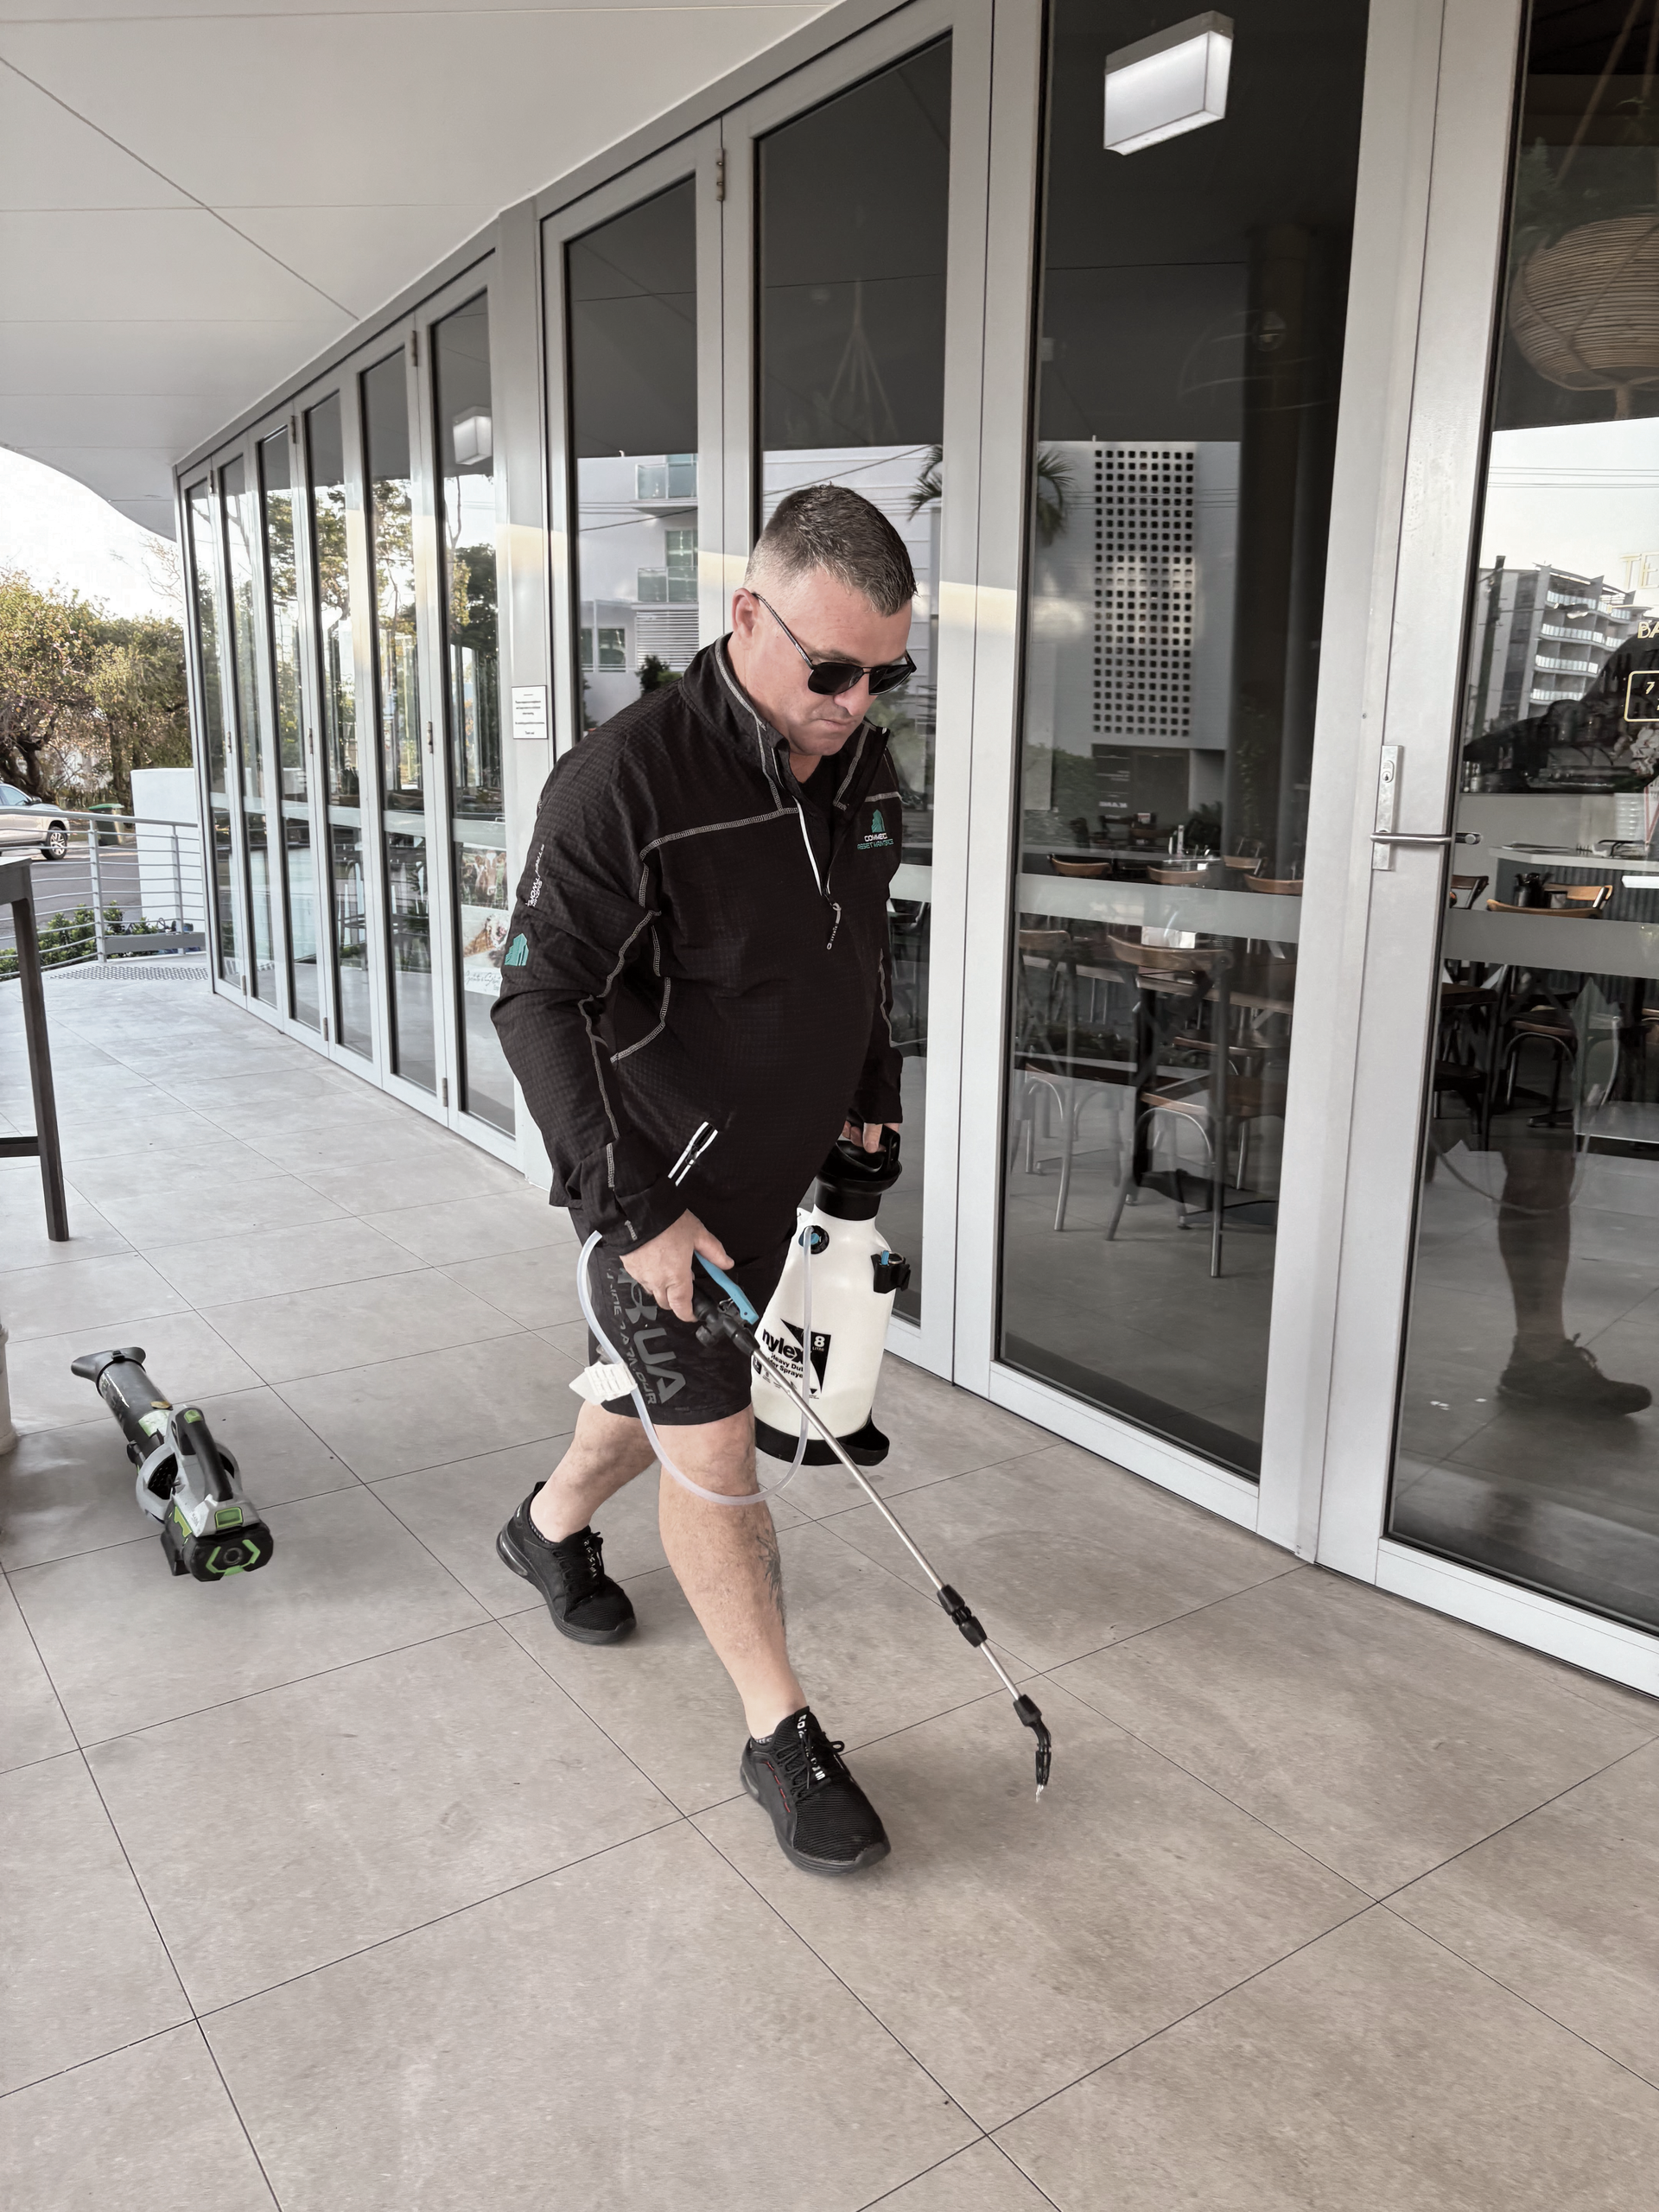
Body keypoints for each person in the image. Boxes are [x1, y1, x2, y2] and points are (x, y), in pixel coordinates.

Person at [491, 485, 914, 1876]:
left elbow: (860, 962)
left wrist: (868, 1117)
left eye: (885, 673)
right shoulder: (624, 785)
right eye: (833, 669)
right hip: (658, 1196)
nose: (856, 702)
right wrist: (633, 1212)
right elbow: (538, 1005)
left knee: (651, 1407)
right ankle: (778, 1731)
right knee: (718, 1446)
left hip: (784, 1176)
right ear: (746, 617)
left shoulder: (863, 775)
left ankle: (547, 1527)